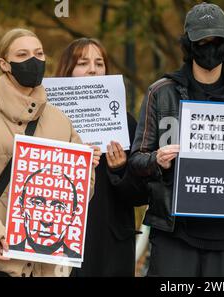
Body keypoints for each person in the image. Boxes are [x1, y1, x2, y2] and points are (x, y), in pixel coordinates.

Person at [128, 2, 224, 277]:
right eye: (201, 41)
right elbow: (136, 160)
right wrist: (157, 160)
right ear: (188, 45)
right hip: (173, 232)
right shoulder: (161, 93)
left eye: (216, 40)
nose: (209, 47)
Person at [0, 28, 100, 277]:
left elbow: (80, 196)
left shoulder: (60, 120)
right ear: (4, 64)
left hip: (44, 267)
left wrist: (85, 167)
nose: (34, 60)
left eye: (39, 53)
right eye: (23, 54)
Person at [55, 38, 148, 277]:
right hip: (59, 239)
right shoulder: (48, 122)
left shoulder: (123, 123)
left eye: (99, 63)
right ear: (68, 70)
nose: (93, 69)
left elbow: (141, 194)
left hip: (111, 243)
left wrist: (120, 170)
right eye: (83, 63)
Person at [9, 168, 81, 259]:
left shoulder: (76, 258)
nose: (46, 220)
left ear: (73, 215)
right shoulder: (8, 250)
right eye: (37, 203)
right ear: (21, 207)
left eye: (59, 207)